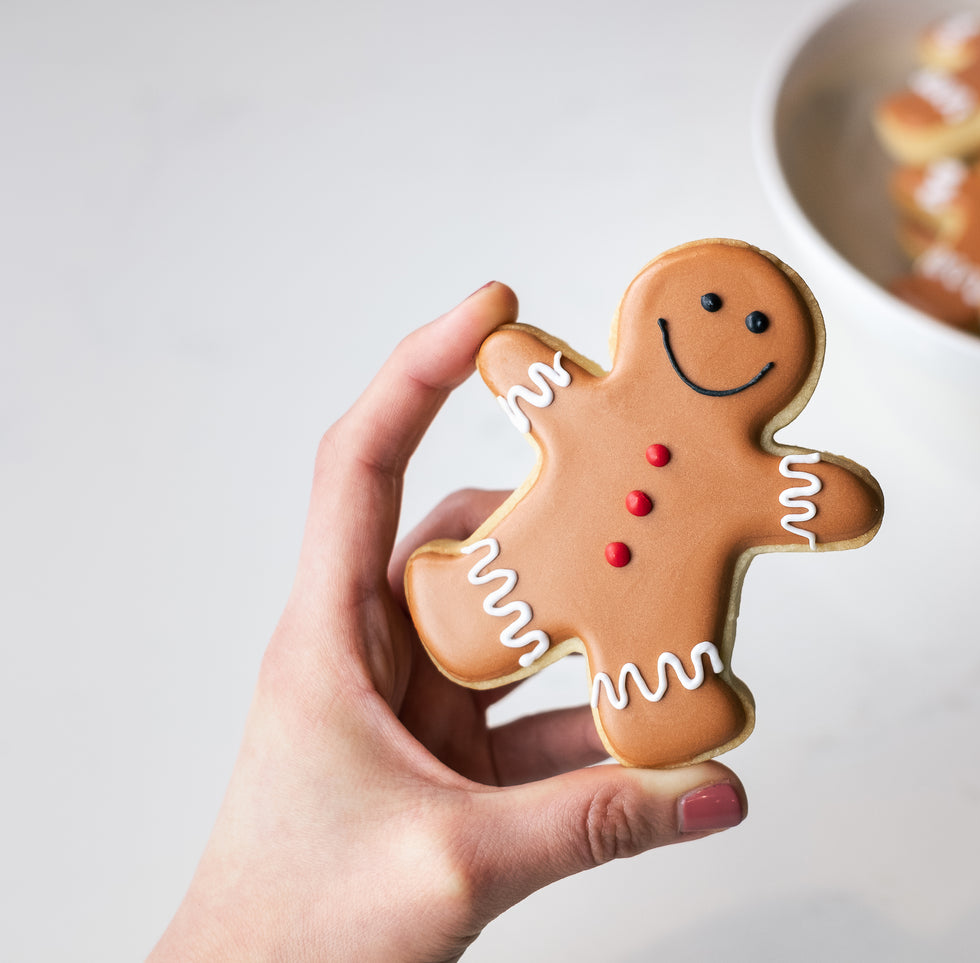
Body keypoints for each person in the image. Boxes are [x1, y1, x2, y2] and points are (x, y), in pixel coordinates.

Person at [149, 282, 747, 962]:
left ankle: (658, 699)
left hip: (655, 628)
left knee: (651, 664)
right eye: (714, 304)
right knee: (502, 595)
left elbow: (810, 499)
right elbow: (532, 374)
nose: (731, 328)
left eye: (757, 323)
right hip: (528, 574)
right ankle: (463, 601)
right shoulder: (597, 404)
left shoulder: (740, 466)